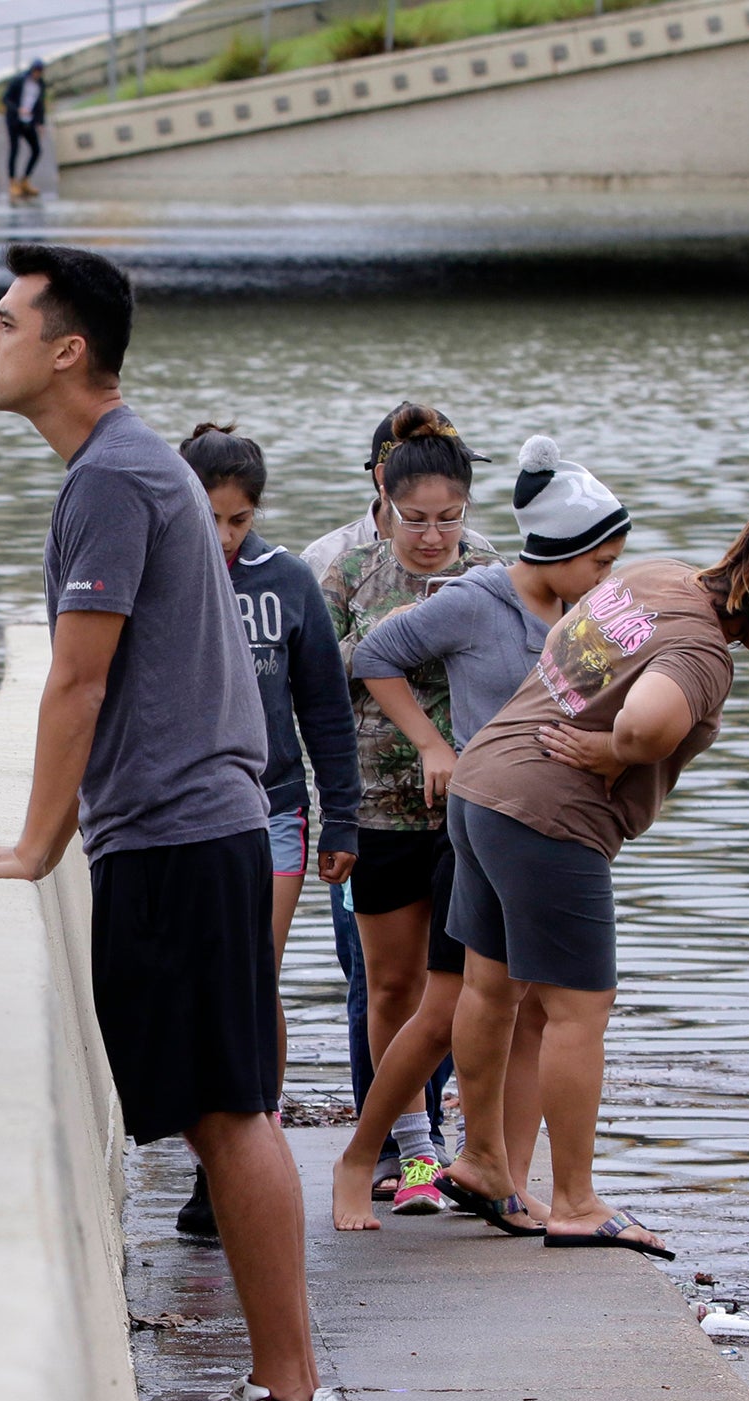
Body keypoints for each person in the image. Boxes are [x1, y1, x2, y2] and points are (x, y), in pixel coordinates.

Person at [0, 242, 353, 1401]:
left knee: (228, 1114)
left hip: (174, 832)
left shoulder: (112, 475)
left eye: (2, 323)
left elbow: (78, 677)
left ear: (67, 349)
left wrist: (27, 848)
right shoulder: (130, 466)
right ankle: (287, 1397)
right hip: (193, 829)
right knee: (227, 1112)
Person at [435, 511, 749, 1258]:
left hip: (482, 785)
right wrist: (617, 752)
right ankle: (578, 1202)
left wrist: (603, 732)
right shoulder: (705, 650)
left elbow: (568, 641)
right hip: (550, 819)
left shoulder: (654, 575)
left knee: (490, 989)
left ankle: (484, 1162)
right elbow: (648, 724)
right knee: (580, 1009)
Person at [330, 435, 631, 1231]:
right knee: (443, 1007)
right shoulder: (476, 597)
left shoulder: (587, 618)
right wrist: (435, 746)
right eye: (601, 563)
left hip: (548, 834)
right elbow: (373, 657)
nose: (611, 581)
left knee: (535, 1011)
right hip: (471, 823)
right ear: (562, 551)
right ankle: (365, 1156)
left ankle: (503, 1173)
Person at [172, 424, 363, 1241]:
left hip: (273, 806)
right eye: (209, 518)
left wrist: (343, 815)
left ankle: (251, 1145)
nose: (224, 537)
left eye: (239, 521)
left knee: (252, 976)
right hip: (174, 813)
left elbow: (323, 706)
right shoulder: (156, 578)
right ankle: (209, 1148)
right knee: (193, 983)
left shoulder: (285, 582)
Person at [304, 405, 495, 1200]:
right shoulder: (344, 571)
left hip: (467, 806)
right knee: (387, 985)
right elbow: (314, 675)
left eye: (448, 519)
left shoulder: (486, 569)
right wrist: (407, 629)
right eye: (416, 520)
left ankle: (449, 1139)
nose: (432, 536)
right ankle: (400, 1143)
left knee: (456, 985)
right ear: (384, 498)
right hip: (376, 802)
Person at [3, 60, 48, 201]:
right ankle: (12, 182)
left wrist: (40, 123)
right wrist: (18, 109)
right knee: (14, 150)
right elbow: (6, 99)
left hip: (28, 122)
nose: (37, 74)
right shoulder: (19, 81)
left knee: (36, 150)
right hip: (15, 121)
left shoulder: (40, 85)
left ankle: (25, 179)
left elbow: (40, 105)